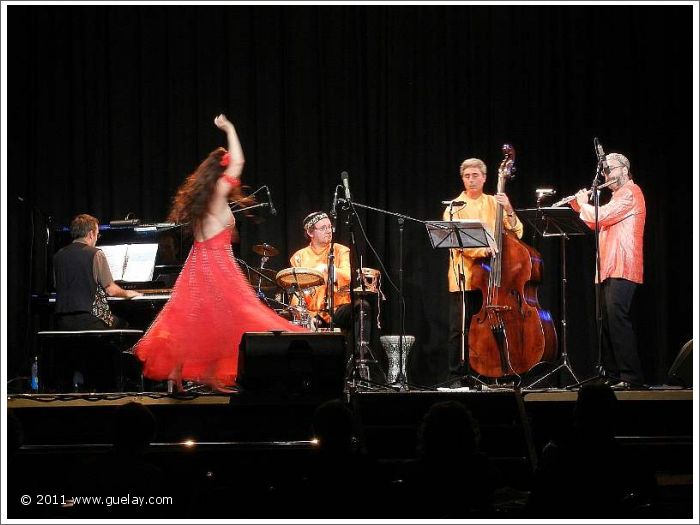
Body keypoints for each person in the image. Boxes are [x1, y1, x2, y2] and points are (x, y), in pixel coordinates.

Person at [134, 114, 305, 392]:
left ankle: (184, 376)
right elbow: (238, 161)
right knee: (230, 317)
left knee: (205, 320)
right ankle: (195, 376)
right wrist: (230, 128)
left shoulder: (206, 202)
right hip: (216, 266)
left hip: (198, 265)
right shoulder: (216, 194)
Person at [442, 158, 523, 386]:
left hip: (493, 280)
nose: (471, 180)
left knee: (488, 329)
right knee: (459, 331)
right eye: (467, 176)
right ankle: (456, 376)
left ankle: (488, 373)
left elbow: (518, 232)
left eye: (475, 175)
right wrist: (484, 249)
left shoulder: (493, 202)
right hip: (465, 278)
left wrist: (508, 209)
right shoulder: (454, 207)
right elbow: (458, 243)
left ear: (485, 177)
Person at [570, 153, 646, 388]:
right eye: (604, 172)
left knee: (617, 320)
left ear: (624, 169)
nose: (606, 176)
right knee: (606, 322)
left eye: (610, 170)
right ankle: (613, 375)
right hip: (607, 267)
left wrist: (584, 203)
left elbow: (601, 215)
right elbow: (595, 222)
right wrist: (577, 204)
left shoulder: (631, 192)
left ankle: (631, 377)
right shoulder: (617, 197)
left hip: (623, 265)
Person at [289, 212, 372, 359]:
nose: (329, 231)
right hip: (314, 313)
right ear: (310, 232)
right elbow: (297, 293)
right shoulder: (299, 257)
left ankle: (360, 358)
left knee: (362, 307)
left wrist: (329, 269)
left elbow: (347, 276)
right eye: (323, 228)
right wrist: (306, 317)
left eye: (329, 227)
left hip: (338, 309)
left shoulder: (340, 250)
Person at [53, 213, 141, 330]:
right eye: (97, 235)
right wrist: (128, 293)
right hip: (89, 320)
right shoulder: (95, 253)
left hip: (62, 322)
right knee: (127, 325)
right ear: (91, 234)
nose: (96, 239)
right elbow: (111, 290)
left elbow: (57, 286)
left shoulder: (59, 255)